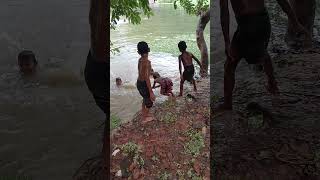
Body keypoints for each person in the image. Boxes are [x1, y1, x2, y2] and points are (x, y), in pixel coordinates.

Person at [219, 0, 308, 110]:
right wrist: (295, 22)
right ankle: (273, 85)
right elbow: (282, 1)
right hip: (263, 21)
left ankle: (227, 103)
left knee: (230, 63)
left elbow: (224, 12)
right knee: (263, 53)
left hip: (246, 23)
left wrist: (227, 42)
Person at [136, 41, 156, 123]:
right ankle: (144, 119)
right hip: (144, 84)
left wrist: (152, 73)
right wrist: (151, 92)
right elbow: (147, 78)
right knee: (150, 103)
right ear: (149, 49)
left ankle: (143, 112)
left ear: (138, 52)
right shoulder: (147, 63)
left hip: (138, 83)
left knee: (145, 98)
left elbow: (141, 72)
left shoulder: (140, 60)